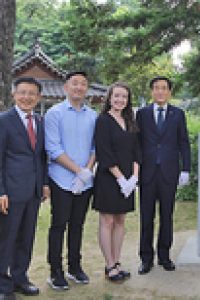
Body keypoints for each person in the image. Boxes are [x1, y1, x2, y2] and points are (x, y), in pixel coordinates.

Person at [45, 71, 98, 290]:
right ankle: (55, 270)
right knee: (59, 225)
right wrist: (77, 170)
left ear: (87, 89)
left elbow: (96, 147)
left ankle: (74, 266)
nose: (79, 87)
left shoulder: (93, 116)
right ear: (66, 87)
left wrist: (86, 172)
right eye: (74, 83)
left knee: (78, 225)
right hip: (61, 179)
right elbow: (53, 148)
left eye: (83, 84)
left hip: (84, 181)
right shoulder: (54, 113)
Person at [0, 77, 49, 298]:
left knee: (27, 237)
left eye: (32, 93)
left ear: (38, 97)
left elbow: (41, 157)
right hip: (10, 192)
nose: (27, 97)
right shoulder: (4, 120)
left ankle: (20, 278)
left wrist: (45, 184)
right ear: (14, 94)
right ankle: (3, 285)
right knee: (6, 239)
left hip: (33, 192)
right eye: (22, 92)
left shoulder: (40, 121)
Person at [136, 76, 190, 274]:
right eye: (156, 88)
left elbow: (183, 142)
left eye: (164, 88)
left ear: (169, 92)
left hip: (169, 173)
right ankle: (146, 258)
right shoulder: (142, 114)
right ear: (152, 91)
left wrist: (185, 169)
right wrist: (135, 170)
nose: (160, 91)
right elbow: (137, 143)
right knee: (146, 217)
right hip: (147, 173)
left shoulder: (178, 114)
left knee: (167, 216)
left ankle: (164, 255)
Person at [93, 82, 140, 282]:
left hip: (129, 178)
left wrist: (134, 178)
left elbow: (137, 150)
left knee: (121, 220)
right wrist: (120, 178)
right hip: (109, 177)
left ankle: (117, 261)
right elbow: (104, 152)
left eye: (124, 97)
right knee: (107, 220)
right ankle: (109, 264)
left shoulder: (130, 120)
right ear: (109, 98)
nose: (120, 100)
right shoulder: (103, 120)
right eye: (116, 96)